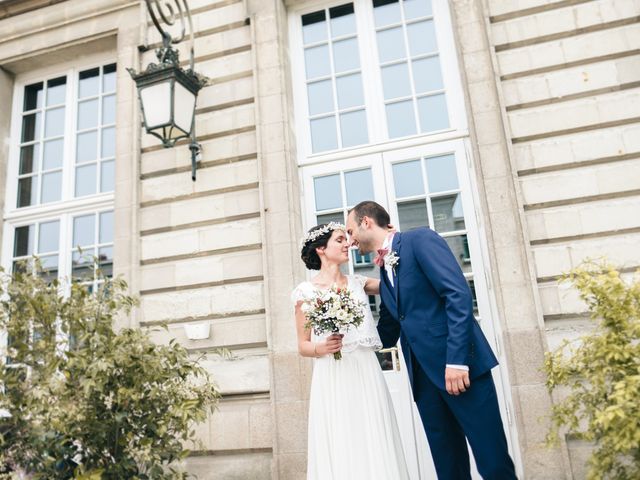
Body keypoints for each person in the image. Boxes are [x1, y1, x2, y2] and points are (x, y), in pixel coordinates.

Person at [346, 201, 517, 480]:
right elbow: (388, 331)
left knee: (492, 462)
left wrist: (458, 361)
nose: (351, 241)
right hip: (424, 381)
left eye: (351, 231)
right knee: (448, 468)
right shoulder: (385, 272)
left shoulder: (419, 240)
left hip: (461, 370)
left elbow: (457, 295)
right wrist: (348, 342)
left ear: (366, 222)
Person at [291, 222, 409, 480]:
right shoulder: (305, 292)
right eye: (340, 240)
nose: (348, 244)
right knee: (342, 433)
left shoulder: (359, 282)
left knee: (373, 432)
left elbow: (397, 282)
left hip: (366, 370)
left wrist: (390, 241)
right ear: (321, 249)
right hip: (333, 373)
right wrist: (321, 347)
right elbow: (303, 345)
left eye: (347, 239)